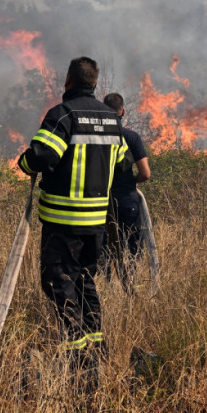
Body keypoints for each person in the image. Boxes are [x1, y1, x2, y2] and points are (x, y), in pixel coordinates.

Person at [17, 57, 125, 362]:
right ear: (95, 83)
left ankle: (78, 355)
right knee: (84, 280)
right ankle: (97, 349)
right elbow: (123, 163)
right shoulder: (111, 119)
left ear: (68, 81)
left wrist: (24, 163)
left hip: (63, 223)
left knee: (58, 283)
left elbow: (40, 156)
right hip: (96, 224)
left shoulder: (63, 114)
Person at [102, 93, 151, 296]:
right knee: (132, 250)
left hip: (100, 202)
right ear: (122, 111)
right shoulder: (131, 137)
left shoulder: (96, 137)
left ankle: (104, 289)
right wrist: (133, 181)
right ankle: (131, 291)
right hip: (127, 201)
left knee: (103, 250)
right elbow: (145, 174)